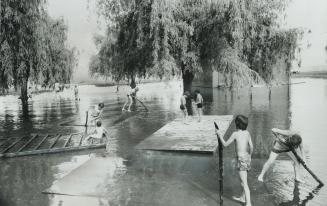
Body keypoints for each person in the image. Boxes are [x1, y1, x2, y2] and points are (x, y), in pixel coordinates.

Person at [215, 115, 253, 206]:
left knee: (244, 183)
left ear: (237, 124)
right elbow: (251, 146)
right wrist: (250, 156)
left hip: (241, 159)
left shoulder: (235, 134)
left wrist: (220, 135)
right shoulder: (247, 133)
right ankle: (243, 198)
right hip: (247, 157)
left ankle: (249, 203)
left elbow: (225, 144)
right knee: (243, 180)